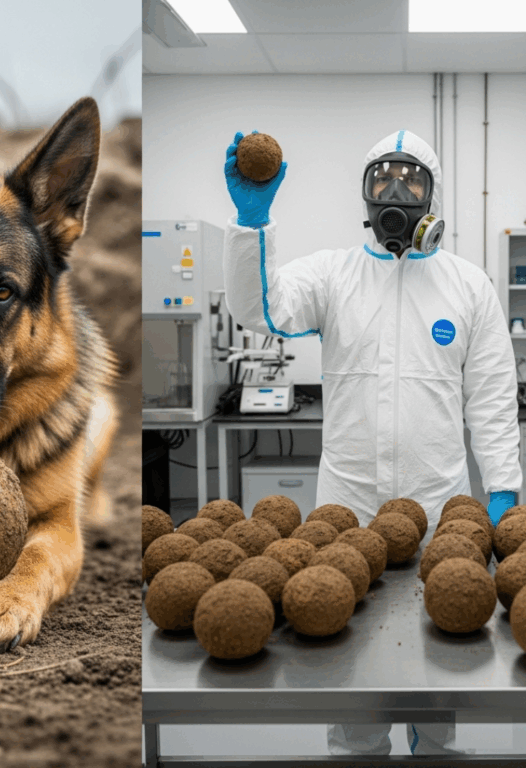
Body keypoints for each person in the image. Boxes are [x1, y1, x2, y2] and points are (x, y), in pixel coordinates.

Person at [222, 129, 522, 757]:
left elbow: (492, 399)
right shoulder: (333, 275)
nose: (396, 191)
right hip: (348, 512)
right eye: (383, 178)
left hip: (443, 513)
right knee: (347, 670)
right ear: (365, 192)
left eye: (411, 180)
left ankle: (433, 747)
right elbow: (262, 311)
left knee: (440, 662)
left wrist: (503, 489)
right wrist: (254, 222)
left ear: (432, 195)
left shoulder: (469, 287)